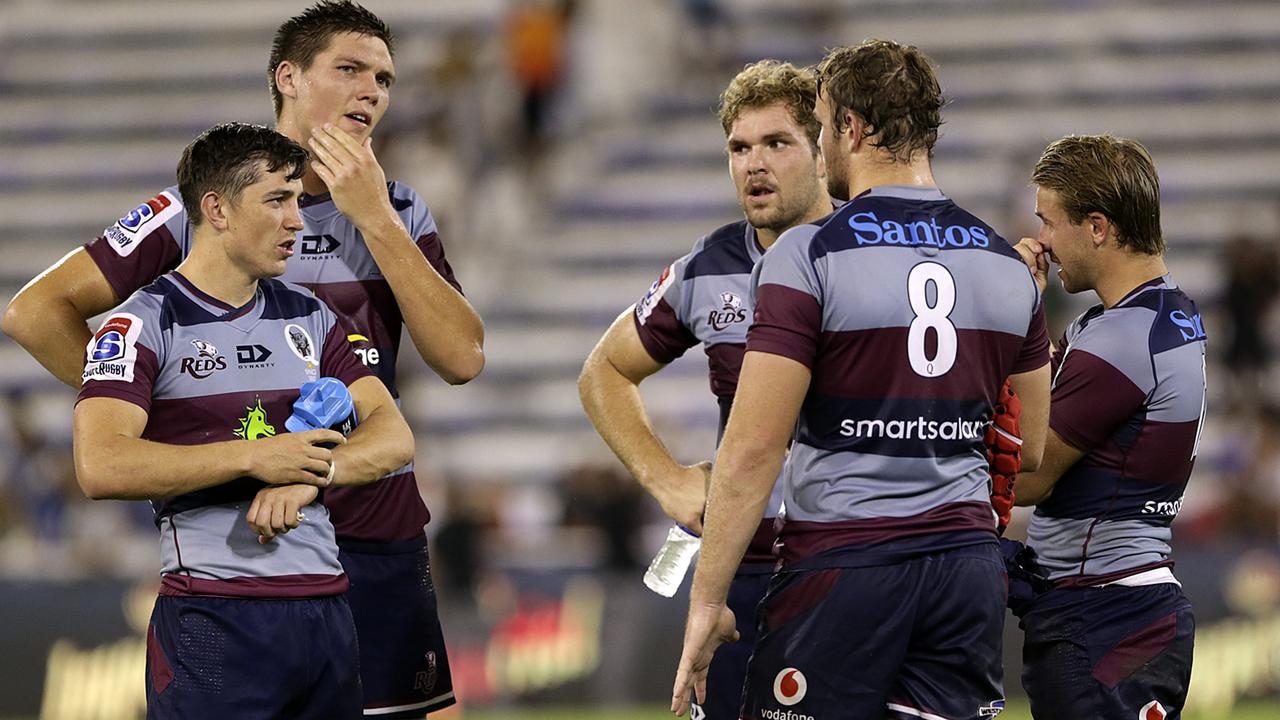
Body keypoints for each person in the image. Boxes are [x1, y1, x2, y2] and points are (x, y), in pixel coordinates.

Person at [2, 3, 483, 716]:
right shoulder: (202, 208)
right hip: (244, 535)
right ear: (288, 78)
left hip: (372, 513)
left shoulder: (401, 211)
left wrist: (373, 216)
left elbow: (461, 357)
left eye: (382, 78)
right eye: (348, 70)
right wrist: (168, 425)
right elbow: (34, 312)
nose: (371, 92)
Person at [670, 39, 1052, 720]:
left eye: (820, 125)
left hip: (843, 566)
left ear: (849, 126)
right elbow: (1034, 454)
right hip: (965, 569)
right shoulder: (1007, 264)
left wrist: (706, 600)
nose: (821, 149)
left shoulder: (807, 253)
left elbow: (755, 448)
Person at [74, 122, 415, 718]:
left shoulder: (312, 316)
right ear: (218, 209)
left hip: (328, 612)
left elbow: (393, 436)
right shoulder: (141, 324)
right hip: (215, 617)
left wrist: (311, 474)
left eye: (296, 200)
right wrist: (255, 457)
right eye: (277, 200)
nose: (297, 221)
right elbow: (100, 464)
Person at [579, 59, 832, 720]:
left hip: (855, 559)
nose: (754, 164)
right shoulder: (707, 269)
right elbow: (603, 372)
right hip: (742, 568)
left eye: (777, 143)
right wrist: (664, 479)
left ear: (823, 149)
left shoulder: (870, 252)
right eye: (739, 148)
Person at [1010, 134, 1205, 720]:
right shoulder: (1159, 313)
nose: (1042, 240)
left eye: (1049, 221)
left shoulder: (1121, 337)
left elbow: (1030, 476)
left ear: (1097, 226)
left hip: (1104, 612)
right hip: (1120, 606)